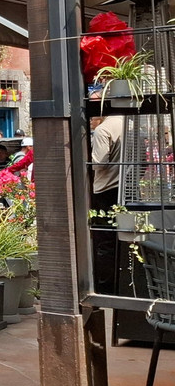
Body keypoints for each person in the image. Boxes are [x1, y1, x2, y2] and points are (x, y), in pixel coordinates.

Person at [90, 89, 122, 294]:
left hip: (105, 190)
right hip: (126, 188)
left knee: (104, 241)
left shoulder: (103, 130)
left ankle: (105, 288)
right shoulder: (129, 124)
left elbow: (98, 164)